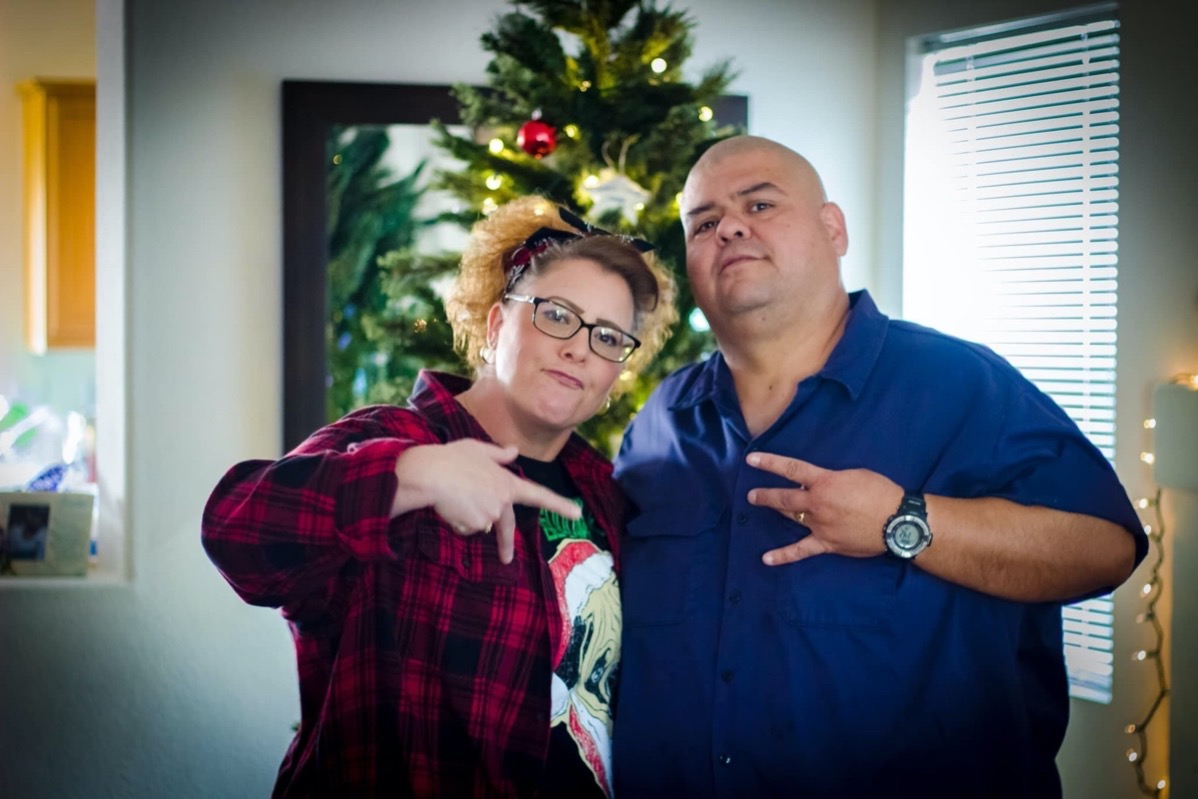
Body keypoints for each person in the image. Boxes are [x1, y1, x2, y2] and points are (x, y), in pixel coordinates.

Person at [610, 135, 1147, 799]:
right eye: (704, 223)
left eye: (760, 204)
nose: (731, 228)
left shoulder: (959, 384)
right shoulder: (662, 419)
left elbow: (1105, 549)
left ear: (833, 229)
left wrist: (903, 520)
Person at [202, 195, 675, 798]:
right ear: (497, 325)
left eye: (608, 336)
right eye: (557, 315)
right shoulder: (394, 438)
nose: (579, 348)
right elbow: (235, 531)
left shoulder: (608, 494)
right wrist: (412, 476)